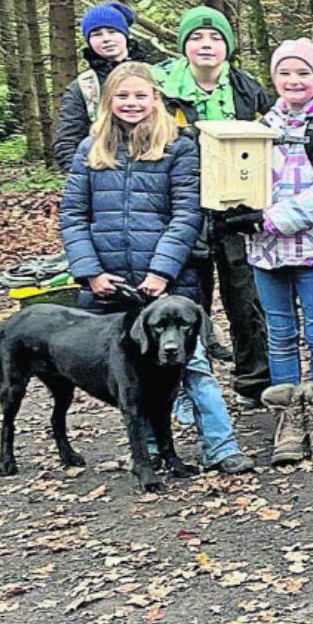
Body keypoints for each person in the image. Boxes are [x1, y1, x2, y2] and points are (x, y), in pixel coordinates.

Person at [58, 62, 254, 474]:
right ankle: (149, 451)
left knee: (194, 366)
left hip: (169, 284)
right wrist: (90, 272)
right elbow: (73, 215)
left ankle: (221, 444)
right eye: (123, 96)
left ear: (155, 99)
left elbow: (186, 214)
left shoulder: (178, 146)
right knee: (132, 373)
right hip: (110, 285)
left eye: (141, 96)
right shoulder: (90, 150)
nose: (132, 104)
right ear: (109, 101)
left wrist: (161, 272)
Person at [241, 40, 313, 465]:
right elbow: (241, 178)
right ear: (274, 78)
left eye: (303, 73)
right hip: (267, 254)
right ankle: (288, 416)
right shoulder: (258, 128)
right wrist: (234, 209)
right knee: (279, 333)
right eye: (285, 73)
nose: (294, 81)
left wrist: (267, 219)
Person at [157, 5, 275, 405]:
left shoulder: (248, 90)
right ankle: (185, 388)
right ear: (183, 46)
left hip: (238, 211)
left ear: (228, 46)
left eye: (215, 38)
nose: (206, 45)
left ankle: (254, 383)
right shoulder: (161, 90)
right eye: (196, 38)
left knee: (246, 300)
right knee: (187, 302)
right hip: (183, 210)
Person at [52, 1, 161, 169]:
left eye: (112, 31)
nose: (106, 39)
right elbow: (66, 143)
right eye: (97, 34)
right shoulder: (83, 86)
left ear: (125, 34)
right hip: (103, 175)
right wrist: (88, 178)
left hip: (156, 174)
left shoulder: (158, 77)